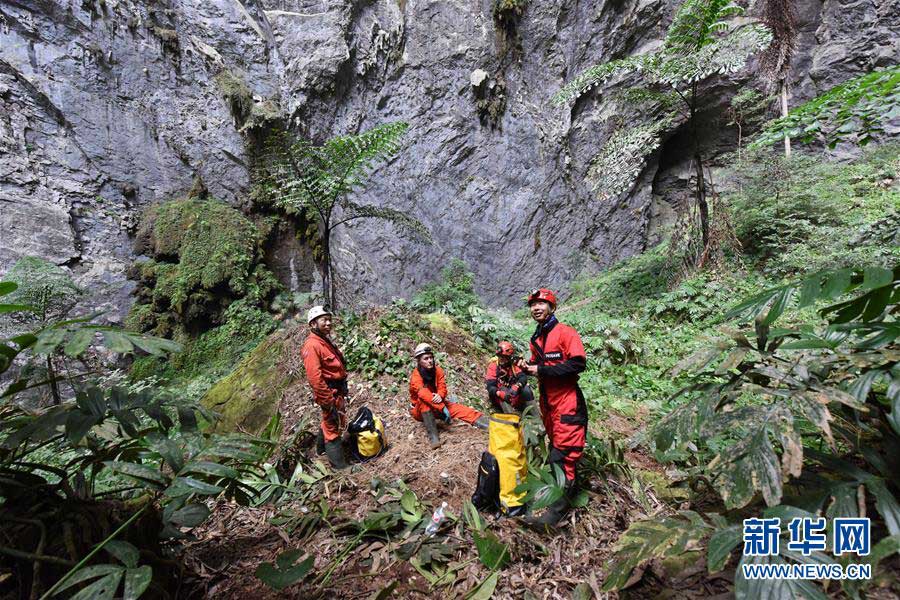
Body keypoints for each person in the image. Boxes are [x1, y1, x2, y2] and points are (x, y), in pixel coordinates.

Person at [518, 288, 588, 529]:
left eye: (541, 303)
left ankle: (556, 512)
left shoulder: (565, 332)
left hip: (567, 402)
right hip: (548, 404)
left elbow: (578, 364)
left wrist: (542, 370)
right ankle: (551, 497)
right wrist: (529, 367)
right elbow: (540, 365)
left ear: (552, 307)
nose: (536, 308)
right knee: (555, 450)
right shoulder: (536, 338)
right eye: (533, 305)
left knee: (563, 456)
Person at [409, 343, 489, 449]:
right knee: (424, 401)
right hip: (420, 410)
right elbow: (422, 393)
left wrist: (440, 395)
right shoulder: (416, 375)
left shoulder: (438, 370)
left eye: (431, 357)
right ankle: (434, 438)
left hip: (437, 403)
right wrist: (441, 407)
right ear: (419, 361)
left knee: (463, 410)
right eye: (426, 358)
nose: (430, 360)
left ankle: (490, 426)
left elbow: (442, 387)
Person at [301, 305, 349, 470]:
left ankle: (321, 450)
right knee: (332, 427)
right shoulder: (311, 345)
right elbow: (315, 378)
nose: (328, 323)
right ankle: (340, 466)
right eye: (324, 320)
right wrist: (328, 401)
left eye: (330, 320)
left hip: (337, 390)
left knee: (329, 421)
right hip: (329, 393)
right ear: (313, 324)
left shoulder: (323, 341)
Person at [485, 341, 535, 415]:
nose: (501, 359)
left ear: (509, 357)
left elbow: (523, 377)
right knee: (503, 392)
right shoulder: (493, 365)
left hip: (513, 394)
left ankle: (536, 416)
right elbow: (490, 386)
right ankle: (512, 418)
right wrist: (499, 393)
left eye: (504, 357)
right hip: (501, 395)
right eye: (500, 357)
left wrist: (517, 385)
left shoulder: (513, 365)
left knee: (526, 389)